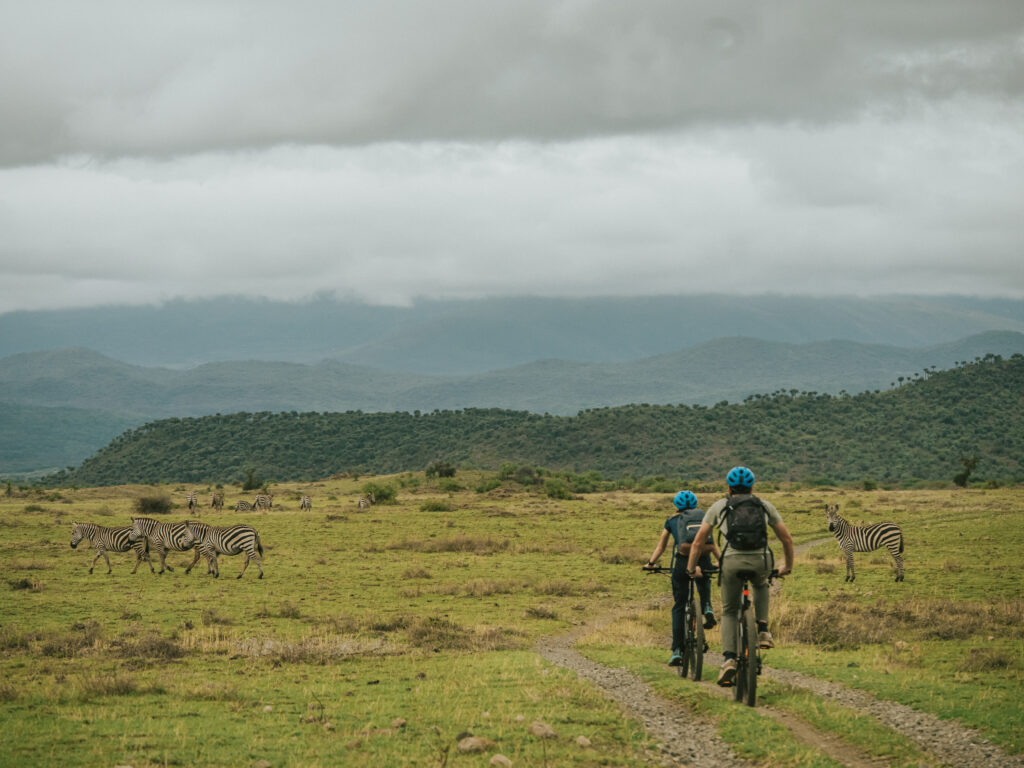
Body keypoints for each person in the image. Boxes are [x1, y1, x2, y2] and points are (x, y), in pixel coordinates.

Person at [685, 466, 794, 687]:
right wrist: (787, 566)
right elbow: (787, 539)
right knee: (762, 583)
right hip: (760, 560)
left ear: (729, 487)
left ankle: (728, 660)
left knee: (729, 611)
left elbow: (698, 541)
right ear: (753, 487)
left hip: (731, 563)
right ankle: (763, 630)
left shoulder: (720, 506)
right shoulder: (764, 506)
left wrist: (690, 568)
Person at [643, 490, 721, 667]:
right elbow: (712, 543)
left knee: (679, 605)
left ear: (676, 505)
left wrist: (650, 564)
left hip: (682, 564)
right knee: (704, 579)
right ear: (695, 504)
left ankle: (677, 650)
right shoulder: (703, 518)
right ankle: (707, 606)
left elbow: (661, 547)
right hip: (704, 560)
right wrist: (719, 561)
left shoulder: (671, 521)